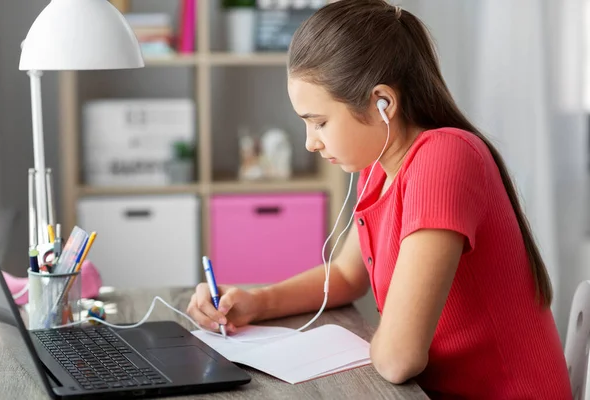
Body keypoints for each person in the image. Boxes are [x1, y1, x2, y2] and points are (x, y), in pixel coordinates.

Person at [187, 1, 572, 398]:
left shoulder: (444, 158)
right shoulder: (378, 166)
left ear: (382, 103)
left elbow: (398, 358)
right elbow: (348, 276)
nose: (311, 142)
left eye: (319, 122)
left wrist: (362, 345)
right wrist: (256, 302)